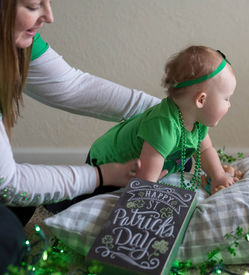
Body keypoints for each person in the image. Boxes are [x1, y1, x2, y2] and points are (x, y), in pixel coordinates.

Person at [0, 0, 162, 271]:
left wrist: (171, 116)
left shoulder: (15, 43)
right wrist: (100, 176)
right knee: (9, 238)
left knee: (24, 205)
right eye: (32, 5)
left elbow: (73, 86)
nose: (48, 17)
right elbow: (9, 184)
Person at [88, 45, 239, 193]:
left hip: (159, 160)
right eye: (226, 98)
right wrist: (150, 190)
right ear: (201, 100)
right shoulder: (163, 127)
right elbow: (144, 183)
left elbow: (205, 149)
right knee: (94, 192)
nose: (230, 104)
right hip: (108, 164)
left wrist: (218, 176)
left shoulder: (196, 120)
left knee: (186, 161)